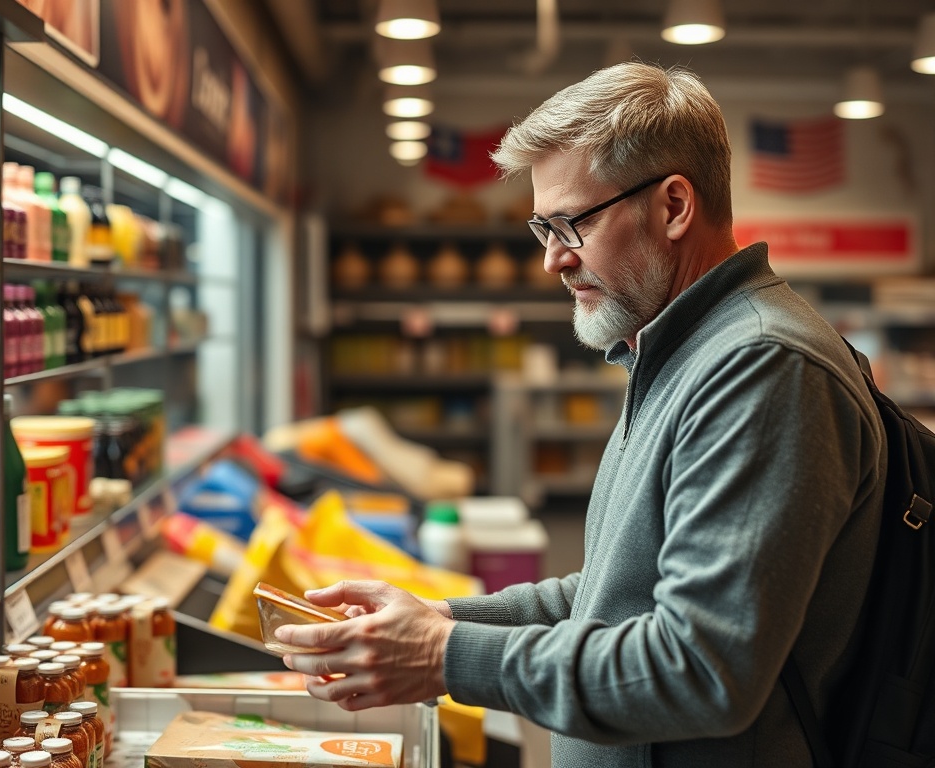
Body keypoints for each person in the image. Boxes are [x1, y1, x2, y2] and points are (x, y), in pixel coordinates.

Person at [276, 61, 887, 766]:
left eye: (572, 224)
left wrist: (447, 656)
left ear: (673, 206)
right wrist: (441, 619)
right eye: (543, 228)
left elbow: (702, 668)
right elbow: (616, 591)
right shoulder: (676, 353)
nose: (553, 262)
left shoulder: (761, 368)